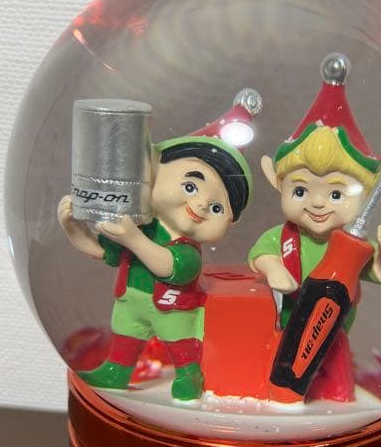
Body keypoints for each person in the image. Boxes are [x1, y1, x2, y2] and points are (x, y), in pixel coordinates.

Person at [59, 97, 256, 401]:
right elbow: (100, 250)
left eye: (217, 208)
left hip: (172, 307)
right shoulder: (140, 226)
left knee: (180, 342)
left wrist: (133, 239)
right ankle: (116, 370)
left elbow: (169, 267)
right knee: (125, 334)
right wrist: (73, 227)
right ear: (154, 170)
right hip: (131, 300)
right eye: (190, 186)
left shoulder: (185, 249)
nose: (201, 204)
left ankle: (189, 373)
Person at [248, 54, 381, 403]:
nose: (317, 204)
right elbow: (259, 254)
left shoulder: (354, 246)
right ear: (278, 183)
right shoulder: (284, 237)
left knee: (338, 387)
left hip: (334, 333)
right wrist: (272, 267)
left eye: (336, 194)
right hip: (285, 326)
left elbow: (380, 272)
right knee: (278, 377)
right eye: (300, 191)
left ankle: (335, 404)